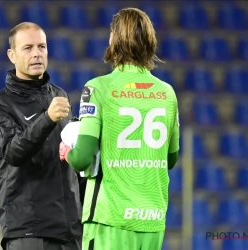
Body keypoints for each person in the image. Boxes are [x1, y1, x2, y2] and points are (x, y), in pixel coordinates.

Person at [59, 8, 180, 250]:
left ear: (114, 39)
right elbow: (171, 158)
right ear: (150, 41)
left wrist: (67, 153)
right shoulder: (167, 93)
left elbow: (82, 158)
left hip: (109, 220)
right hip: (152, 221)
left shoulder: (97, 89)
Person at [0, 22, 83, 250]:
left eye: (42, 46)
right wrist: (47, 118)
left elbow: (71, 159)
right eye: (28, 48)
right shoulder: (0, 105)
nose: (37, 53)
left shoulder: (59, 95)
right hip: (29, 232)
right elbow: (13, 152)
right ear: (12, 55)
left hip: (69, 231)